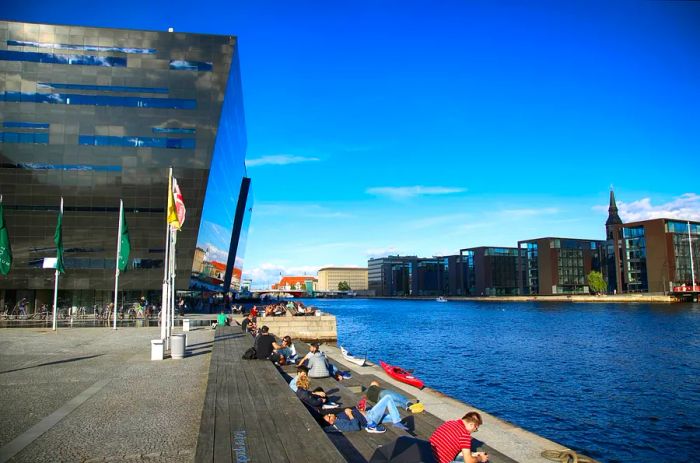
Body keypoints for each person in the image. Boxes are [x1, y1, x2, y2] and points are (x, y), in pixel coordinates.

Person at [322, 394, 409, 433]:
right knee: (388, 397)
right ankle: (396, 422)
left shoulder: (337, 417)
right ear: (331, 422)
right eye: (329, 417)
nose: (330, 414)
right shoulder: (339, 424)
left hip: (368, 414)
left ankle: (396, 420)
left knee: (393, 416)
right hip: (369, 418)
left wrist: (357, 409)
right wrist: (350, 414)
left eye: (328, 414)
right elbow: (355, 427)